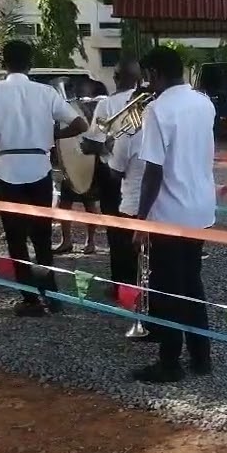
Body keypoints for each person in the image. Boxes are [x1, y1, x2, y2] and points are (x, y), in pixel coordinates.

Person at [0, 41, 88, 316]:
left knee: (16, 238)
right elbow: (80, 124)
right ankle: (52, 296)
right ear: (30, 64)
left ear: (4, 63)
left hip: (6, 169)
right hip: (39, 167)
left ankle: (30, 299)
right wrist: (51, 136)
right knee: (42, 236)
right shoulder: (46, 92)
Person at [129, 46, 217, 382]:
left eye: (147, 76)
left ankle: (169, 362)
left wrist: (140, 219)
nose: (146, 83)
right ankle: (201, 356)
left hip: (170, 212)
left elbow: (153, 171)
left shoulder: (158, 108)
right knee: (191, 282)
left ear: (154, 73)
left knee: (166, 289)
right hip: (200, 208)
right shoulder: (204, 102)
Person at [86, 59, 145, 287]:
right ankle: (143, 282)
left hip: (113, 175)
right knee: (142, 228)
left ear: (115, 78)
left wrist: (90, 147)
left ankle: (121, 284)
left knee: (116, 232)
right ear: (139, 79)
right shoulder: (149, 102)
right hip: (145, 174)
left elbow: (93, 142)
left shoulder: (106, 104)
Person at [54, 80, 107, 255]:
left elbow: (95, 134)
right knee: (64, 204)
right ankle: (66, 240)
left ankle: (90, 241)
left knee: (89, 203)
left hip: (88, 161)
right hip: (71, 162)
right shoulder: (69, 109)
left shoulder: (93, 107)